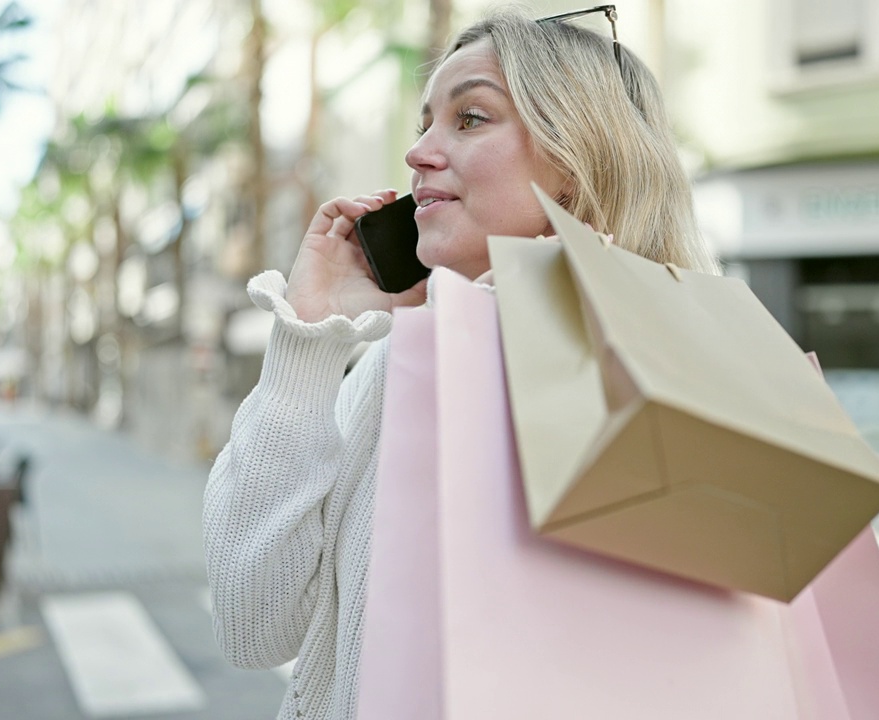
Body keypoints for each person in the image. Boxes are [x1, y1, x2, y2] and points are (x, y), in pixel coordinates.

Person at [203, 6, 718, 720]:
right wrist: (311, 341)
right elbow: (251, 625)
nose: (419, 153)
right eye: (424, 125)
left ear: (575, 161)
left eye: (470, 119)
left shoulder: (656, 368)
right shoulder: (398, 368)